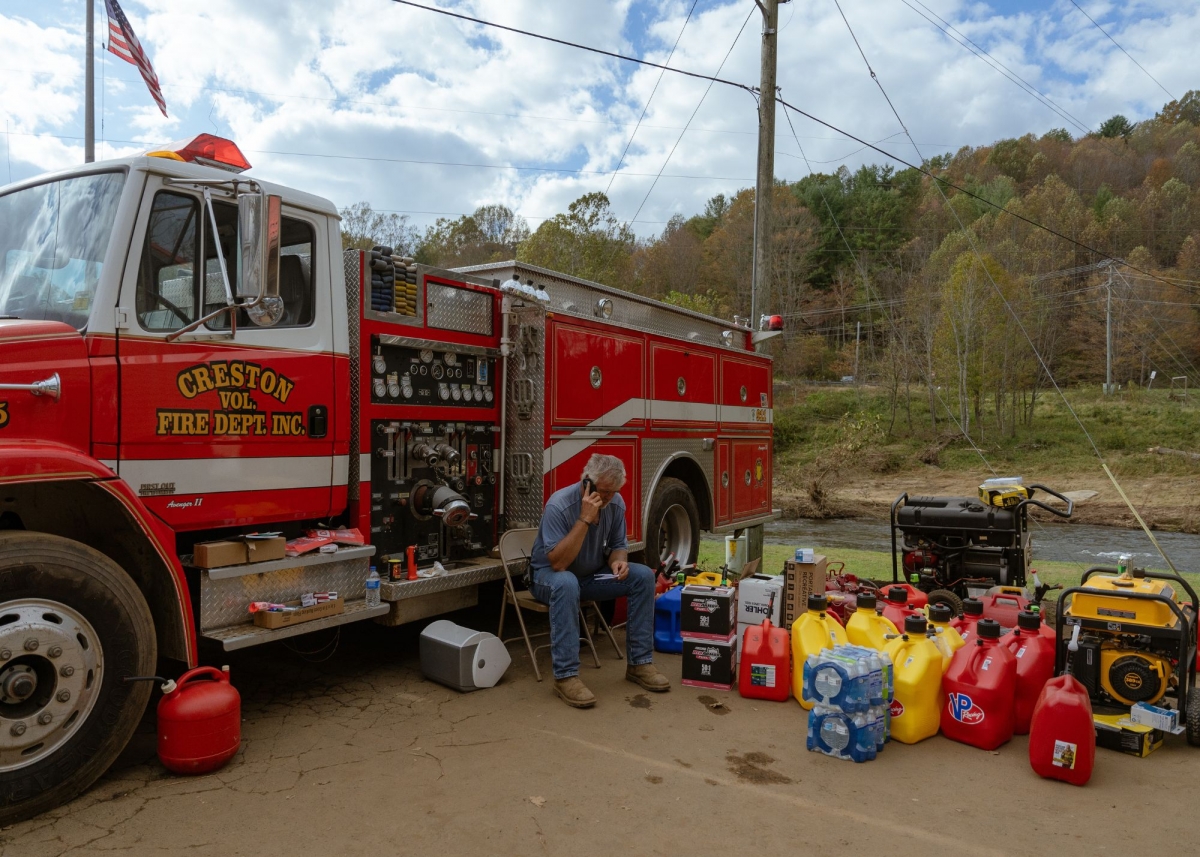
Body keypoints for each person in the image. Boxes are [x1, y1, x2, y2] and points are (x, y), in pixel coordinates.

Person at [530, 453, 670, 708]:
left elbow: (618, 545)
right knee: (566, 581)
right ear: (587, 483)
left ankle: (640, 663)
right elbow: (559, 563)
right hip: (548, 578)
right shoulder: (559, 505)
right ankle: (566, 677)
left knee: (643, 577)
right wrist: (584, 519)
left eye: (614, 491)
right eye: (604, 491)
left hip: (588, 576)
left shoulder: (615, 503)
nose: (608, 498)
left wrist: (619, 560)